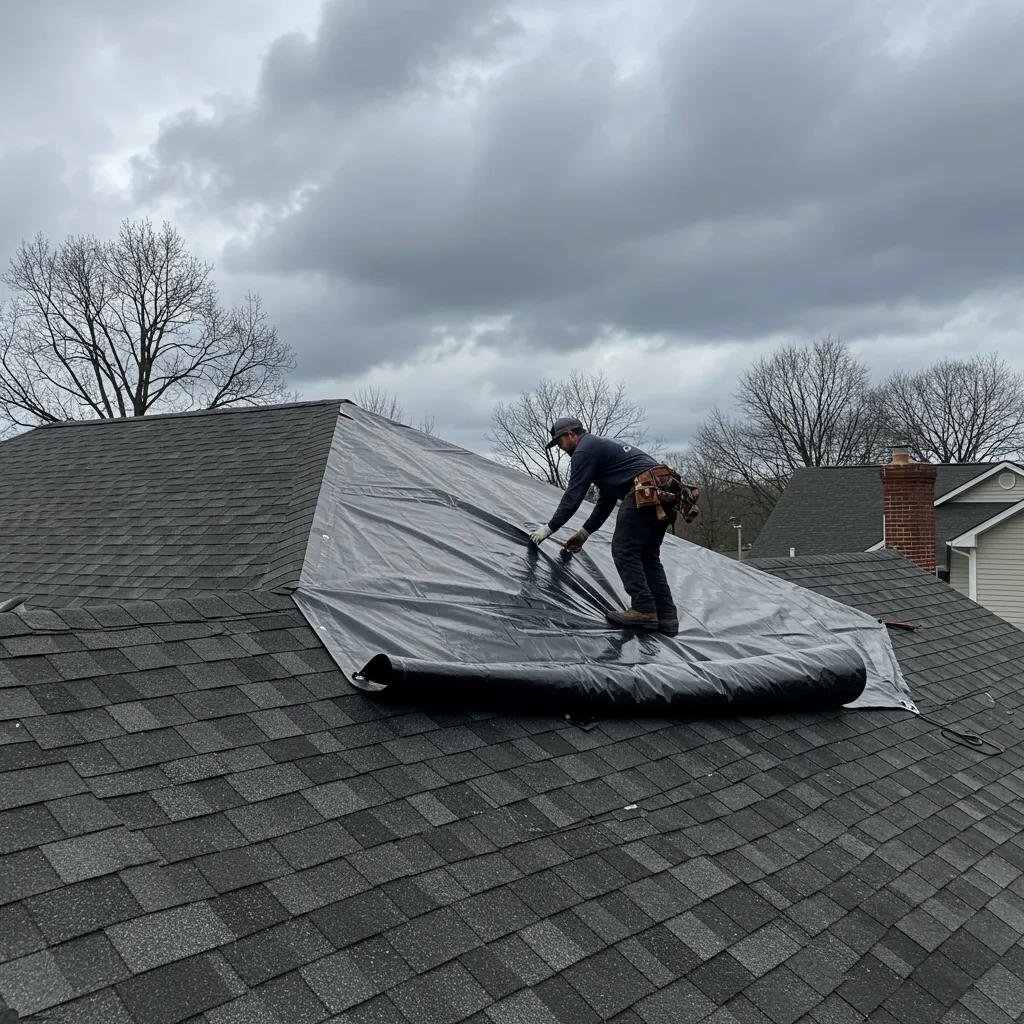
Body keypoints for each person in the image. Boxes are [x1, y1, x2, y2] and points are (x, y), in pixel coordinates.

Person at [529, 416, 683, 636]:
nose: (560, 448)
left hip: (645, 490)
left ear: (571, 434)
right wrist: (584, 533)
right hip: (665, 492)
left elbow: (573, 495)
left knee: (624, 550)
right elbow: (606, 501)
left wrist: (549, 528)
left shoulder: (584, 450)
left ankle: (643, 609)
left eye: (560, 442)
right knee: (648, 556)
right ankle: (667, 616)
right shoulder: (601, 449)